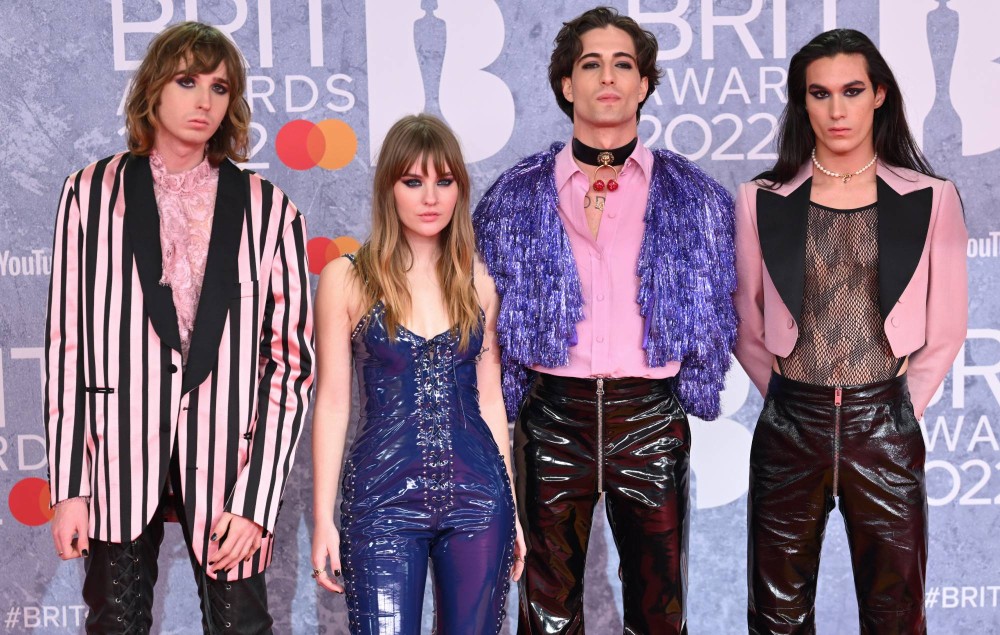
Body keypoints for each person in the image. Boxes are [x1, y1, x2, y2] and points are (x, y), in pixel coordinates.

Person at [44, 22, 314, 633]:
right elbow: (67, 346)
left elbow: (290, 368)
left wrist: (256, 503)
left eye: (220, 87)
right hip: (116, 456)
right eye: (187, 81)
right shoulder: (89, 194)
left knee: (242, 625)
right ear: (152, 90)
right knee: (115, 623)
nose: (204, 101)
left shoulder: (272, 209)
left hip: (229, 464)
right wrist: (68, 487)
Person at [473, 7, 736, 634]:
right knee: (546, 608)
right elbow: (486, 326)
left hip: (649, 417)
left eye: (624, 64)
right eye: (591, 64)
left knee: (658, 607)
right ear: (568, 84)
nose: (608, 78)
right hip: (551, 416)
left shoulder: (693, 197)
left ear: (645, 83)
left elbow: (720, 310)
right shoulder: (515, 196)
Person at [733, 28, 967, 635]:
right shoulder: (759, 199)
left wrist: (894, 409)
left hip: (884, 426)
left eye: (852, 90)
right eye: (819, 93)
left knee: (895, 614)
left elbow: (944, 330)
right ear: (801, 102)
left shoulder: (932, 198)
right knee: (776, 617)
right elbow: (745, 321)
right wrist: (788, 400)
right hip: (790, 428)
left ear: (880, 95)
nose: (837, 110)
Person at [310, 114, 525, 634]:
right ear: (390, 188)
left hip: (479, 500)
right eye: (413, 181)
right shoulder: (347, 277)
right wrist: (322, 518)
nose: (430, 197)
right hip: (381, 499)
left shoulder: (480, 281)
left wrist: (513, 508)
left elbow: (492, 402)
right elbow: (334, 404)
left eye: (444, 181)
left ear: (459, 190)